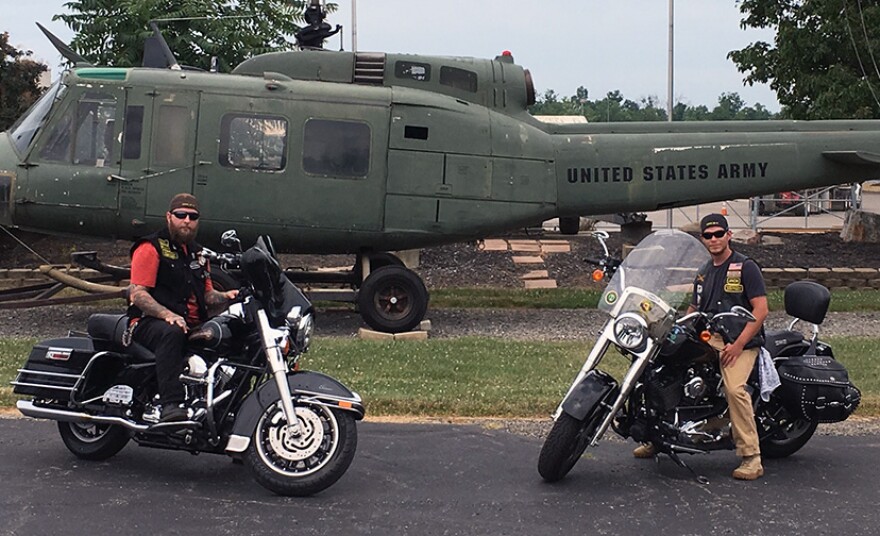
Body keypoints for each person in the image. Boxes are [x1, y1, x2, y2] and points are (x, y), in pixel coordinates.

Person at [633, 213, 769, 481]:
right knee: (657, 369)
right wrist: (674, 325)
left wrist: (738, 345)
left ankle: (752, 457)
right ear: (702, 239)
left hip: (739, 340)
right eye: (708, 235)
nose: (714, 239)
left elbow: (761, 310)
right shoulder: (705, 271)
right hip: (710, 336)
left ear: (729, 235)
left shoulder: (745, 267)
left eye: (719, 234)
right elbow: (694, 308)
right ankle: (656, 436)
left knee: (734, 388)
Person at [127, 193, 238, 422]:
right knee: (172, 331)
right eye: (181, 215)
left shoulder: (199, 254)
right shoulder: (151, 247)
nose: (187, 220)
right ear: (169, 217)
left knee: (232, 334)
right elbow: (138, 293)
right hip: (148, 322)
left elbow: (207, 296)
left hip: (189, 323)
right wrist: (167, 315)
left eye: (193, 216)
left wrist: (228, 296)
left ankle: (226, 408)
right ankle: (171, 404)